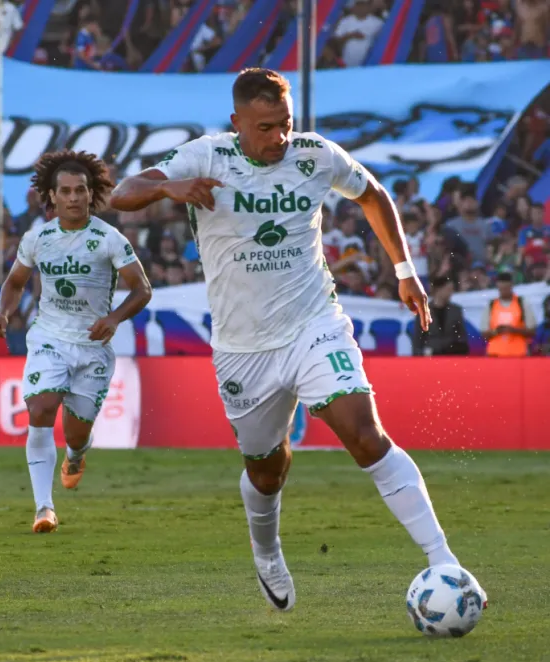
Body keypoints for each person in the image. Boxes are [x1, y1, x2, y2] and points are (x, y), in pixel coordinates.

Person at [109, 68, 485, 612]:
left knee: (365, 435)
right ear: (237, 122)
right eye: (265, 127)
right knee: (267, 469)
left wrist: (405, 270)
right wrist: (169, 187)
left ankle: (442, 560)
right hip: (244, 347)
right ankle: (267, 552)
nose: (278, 138)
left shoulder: (315, 155)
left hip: (315, 324)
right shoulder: (205, 156)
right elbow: (123, 193)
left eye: (285, 124)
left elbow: (374, 195)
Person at [0, 150, 152, 533]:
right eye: (65, 191)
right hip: (49, 337)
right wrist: (5, 313)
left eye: (81, 190)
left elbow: (142, 290)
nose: (74, 198)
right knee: (41, 408)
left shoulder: (109, 239)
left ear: (91, 193)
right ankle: (44, 509)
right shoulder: (38, 239)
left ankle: (76, 455)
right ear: (52, 195)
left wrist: (113, 318)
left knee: (76, 433)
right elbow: (15, 283)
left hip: (92, 346)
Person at [481, 269, 537, 356]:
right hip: (495, 355)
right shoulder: (491, 305)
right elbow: (484, 333)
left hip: (519, 355)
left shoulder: (521, 303)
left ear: (511, 286)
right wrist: (496, 331)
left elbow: (532, 331)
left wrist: (514, 330)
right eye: (501, 289)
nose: (503, 291)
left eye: (506, 288)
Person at [411, 275, 469, 356]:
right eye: (448, 289)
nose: (451, 293)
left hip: (451, 355)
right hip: (430, 356)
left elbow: (462, 336)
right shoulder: (424, 311)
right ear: (439, 289)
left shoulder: (456, 311)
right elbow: (418, 339)